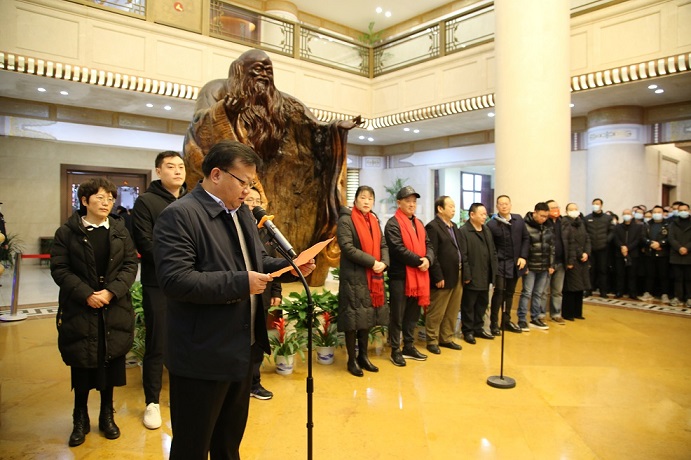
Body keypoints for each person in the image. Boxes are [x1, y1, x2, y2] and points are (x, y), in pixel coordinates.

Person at [153, 140, 315, 460]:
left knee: (228, 444)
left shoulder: (241, 213)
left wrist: (289, 268)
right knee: (192, 447)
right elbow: (176, 280)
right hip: (203, 355)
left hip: (241, 350)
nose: (247, 191)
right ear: (216, 174)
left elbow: (255, 261)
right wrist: (242, 283)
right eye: (243, 182)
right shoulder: (180, 215)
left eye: (252, 184)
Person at [184, 49, 361, 284]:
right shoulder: (217, 89)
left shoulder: (283, 102)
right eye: (257, 69)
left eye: (268, 70)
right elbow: (200, 125)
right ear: (240, 70)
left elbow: (311, 127)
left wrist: (335, 130)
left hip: (280, 179)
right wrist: (227, 111)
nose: (264, 75)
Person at [50, 178, 138, 447]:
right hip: (80, 308)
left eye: (110, 198)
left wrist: (110, 292)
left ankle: (107, 415)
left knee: (110, 361)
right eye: (100, 197)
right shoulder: (67, 232)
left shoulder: (120, 231)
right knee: (82, 363)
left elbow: (129, 265)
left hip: (113, 307)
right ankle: (80, 417)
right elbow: (60, 269)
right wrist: (87, 294)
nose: (106, 203)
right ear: (84, 201)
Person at [130, 150, 187, 429]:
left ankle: (183, 395)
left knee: (188, 340)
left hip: (190, 282)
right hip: (159, 283)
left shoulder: (192, 200)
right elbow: (145, 243)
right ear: (158, 171)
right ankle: (152, 401)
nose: (177, 171)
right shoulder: (146, 202)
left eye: (181, 166)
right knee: (158, 342)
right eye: (170, 166)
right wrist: (180, 263)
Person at [337, 185, 389, 376]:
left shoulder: (374, 220)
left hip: (371, 277)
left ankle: (363, 357)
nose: (367, 201)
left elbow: (383, 244)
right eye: (363, 197)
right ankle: (351, 360)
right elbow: (347, 247)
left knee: (366, 317)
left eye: (370, 198)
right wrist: (373, 262)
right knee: (352, 319)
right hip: (353, 277)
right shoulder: (346, 220)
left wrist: (384, 263)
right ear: (356, 200)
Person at [384, 186, 434, 366]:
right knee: (397, 315)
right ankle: (395, 350)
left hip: (418, 277)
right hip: (400, 277)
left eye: (414, 201)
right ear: (399, 203)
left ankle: (409, 346)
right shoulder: (392, 224)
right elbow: (398, 249)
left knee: (412, 315)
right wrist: (420, 261)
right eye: (408, 201)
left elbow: (429, 244)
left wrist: (428, 259)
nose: (412, 204)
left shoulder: (418, 223)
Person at [245, 187, 280, 395]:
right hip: (243, 291)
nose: (254, 204)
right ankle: (240, 384)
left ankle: (255, 383)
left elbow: (273, 261)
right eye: (249, 200)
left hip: (264, 293)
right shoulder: (238, 228)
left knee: (258, 339)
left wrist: (276, 291)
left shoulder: (267, 230)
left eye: (257, 201)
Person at [424, 196, 463, 354]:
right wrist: (437, 276)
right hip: (443, 275)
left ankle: (446, 337)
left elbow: (460, 250)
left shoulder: (454, 227)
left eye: (454, 206)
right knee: (437, 310)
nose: (454, 209)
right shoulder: (433, 227)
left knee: (452, 309)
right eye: (450, 206)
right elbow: (432, 253)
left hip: (457, 273)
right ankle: (432, 340)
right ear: (440, 209)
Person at [486, 195, 528, 335]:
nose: (504, 206)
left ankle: (506, 321)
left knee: (510, 293)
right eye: (501, 204)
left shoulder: (518, 219)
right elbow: (490, 246)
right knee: (499, 293)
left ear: (510, 205)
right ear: (497, 206)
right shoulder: (492, 224)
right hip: (500, 264)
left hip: (515, 264)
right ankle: (493, 323)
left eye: (506, 203)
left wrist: (523, 256)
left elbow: (526, 238)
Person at [458, 203, 498, 344]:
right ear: (472, 215)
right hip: (472, 275)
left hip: (486, 274)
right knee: (469, 305)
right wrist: (467, 275)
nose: (484, 216)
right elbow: (463, 255)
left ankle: (478, 328)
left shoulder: (486, 229)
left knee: (482, 303)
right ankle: (468, 331)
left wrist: (494, 272)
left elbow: (492, 251)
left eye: (485, 214)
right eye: (481, 214)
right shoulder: (464, 231)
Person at [517, 202, 555, 331]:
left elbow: (551, 246)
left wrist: (551, 264)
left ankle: (535, 318)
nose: (544, 218)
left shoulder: (548, 226)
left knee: (538, 293)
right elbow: (522, 246)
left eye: (546, 216)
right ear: (535, 213)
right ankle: (522, 319)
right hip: (530, 266)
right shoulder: (525, 225)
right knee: (526, 293)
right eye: (542, 216)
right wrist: (525, 265)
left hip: (544, 266)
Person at [561, 203, 591, 321]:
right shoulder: (565, 223)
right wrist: (580, 253)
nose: (574, 211)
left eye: (575, 209)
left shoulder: (581, 223)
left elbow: (587, 238)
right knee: (571, 287)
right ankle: (568, 313)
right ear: (566, 211)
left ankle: (577, 312)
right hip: (572, 258)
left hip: (583, 259)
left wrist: (587, 252)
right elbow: (571, 241)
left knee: (580, 286)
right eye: (571, 209)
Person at [640, 205, 670, 303]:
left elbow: (670, 238)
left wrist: (660, 243)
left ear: (663, 213)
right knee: (649, 274)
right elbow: (643, 237)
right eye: (655, 212)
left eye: (659, 212)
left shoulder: (668, 224)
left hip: (663, 253)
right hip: (649, 253)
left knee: (663, 275)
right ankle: (648, 292)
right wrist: (650, 243)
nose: (657, 214)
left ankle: (664, 294)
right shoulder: (647, 224)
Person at [543, 200, 567, 325]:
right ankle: (540, 314)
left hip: (561, 262)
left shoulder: (563, 222)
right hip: (546, 263)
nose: (555, 209)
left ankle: (556, 314)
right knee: (543, 291)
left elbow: (569, 241)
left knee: (557, 291)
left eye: (557, 207)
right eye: (552, 208)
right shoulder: (544, 223)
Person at [584, 198, 614, 297]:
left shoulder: (608, 218)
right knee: (590, 270)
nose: (595, 205)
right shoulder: (587, 218)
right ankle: (589, 290)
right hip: (591, 248)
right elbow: (585, 232)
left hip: (603, 248)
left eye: (597, 204)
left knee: (603, 270)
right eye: (594, 204)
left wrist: (606, 241)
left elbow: (612, 231)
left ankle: (603, 291)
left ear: (601, 205)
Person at [612, 209, 644, 299]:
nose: (627, 215)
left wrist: (628, 248)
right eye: (625, 214)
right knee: (620, 274)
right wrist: (622, 247)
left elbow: (638, 239)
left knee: (632, 274)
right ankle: (619, 291)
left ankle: (632, 292)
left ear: (632, 215)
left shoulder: (638, 227)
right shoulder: (617, 227)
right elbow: (615, 239)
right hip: (620, 253)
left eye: (628, 214)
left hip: (633, 253)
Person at [668, 202, 691, 307]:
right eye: (680, 210)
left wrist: (686, 248)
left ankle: (689, 297)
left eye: (685, 210)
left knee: (689, 278)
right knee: (677, 278)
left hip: (689, 254)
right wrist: (679, 248)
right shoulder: (673, 223)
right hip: (676, 254)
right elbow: (671, 238)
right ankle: (678, 297)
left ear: (689, 211)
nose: (683, 212)